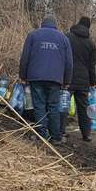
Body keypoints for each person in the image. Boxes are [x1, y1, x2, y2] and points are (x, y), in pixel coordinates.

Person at [18, 16, 73, 144]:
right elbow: (69, 62)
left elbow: (25, 57)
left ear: (42, 24)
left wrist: (23, 75)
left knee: (39, 105)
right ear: (55, 25)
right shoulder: (63, 38)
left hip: (36, 77)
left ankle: (41, 135)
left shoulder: (33, 35)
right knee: (53, 106)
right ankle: (56, 137)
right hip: (55, 79)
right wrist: (67, 80)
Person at [62, 16, 96, 141]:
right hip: (83, 80)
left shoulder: (67, 37)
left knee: (64, 104)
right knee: (83, 108)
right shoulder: (90, 43)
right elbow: (91, 65)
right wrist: (93, 82)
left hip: (68, 77)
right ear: (88, 27)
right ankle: (86, 134)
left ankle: (61, 131)